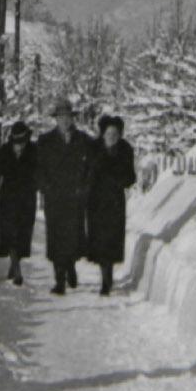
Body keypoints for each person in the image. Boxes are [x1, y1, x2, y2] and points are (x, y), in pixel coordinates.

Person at [32, 97, 96, 295]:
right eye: (61, 117)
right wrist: (45, 188)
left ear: (72, 118)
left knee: (74, 237)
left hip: (76, 198)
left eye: (68, 117)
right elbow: (37, 169)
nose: (65, 121)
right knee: (57, 237)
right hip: (55, 198)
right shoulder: (45, 142)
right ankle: (59, 279)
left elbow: (92, 168)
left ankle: (70, 267)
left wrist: (85, 188)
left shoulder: (84, 141)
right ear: (56, 119)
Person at [84, 114, 137, 296]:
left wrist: (119, 178)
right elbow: (86, 173)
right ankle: (105, 276)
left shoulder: (125, 150)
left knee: (111, 241)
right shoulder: (94, 149)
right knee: (99, 241)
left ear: (120, 135)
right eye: (109, 133)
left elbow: (131, 177)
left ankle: (107, 280)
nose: (112, 137)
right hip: (96, 202)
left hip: (114, 202)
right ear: (103, 133)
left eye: (115, 134)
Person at [0, 121, 38, 285]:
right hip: (8, 200)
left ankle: (14, 266)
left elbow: (42, 174)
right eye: (16, 142)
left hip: (27, 200)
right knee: (11, 234)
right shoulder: (4, 152)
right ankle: (17, 270)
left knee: (22, 235)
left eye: (22, 142)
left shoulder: (34, 151)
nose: (19, 146)